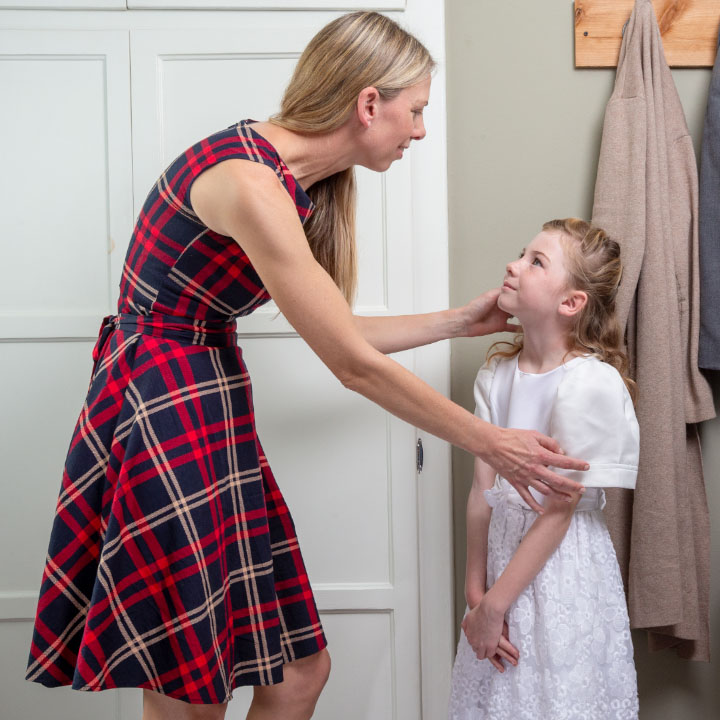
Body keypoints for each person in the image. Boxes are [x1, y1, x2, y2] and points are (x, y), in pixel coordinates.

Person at [25, 12, 587, 720]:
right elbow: (350, 364)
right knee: (191, 689)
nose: (419, 130)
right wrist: (493, 443)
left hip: (204, 399)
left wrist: (458, 322)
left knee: (297, 674)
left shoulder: (293, 181)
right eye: (415, 111)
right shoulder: (249, 182)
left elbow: (336, 330)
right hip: (161, 408)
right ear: (369, 104)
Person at [448, 218, 640, 720]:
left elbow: (560, 508)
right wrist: (477, 596)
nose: (514, 265)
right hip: (498, 562)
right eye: (521, 254)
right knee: (500, 698)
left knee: (559, 696)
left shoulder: (588, 384)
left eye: (536, 262)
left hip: (561, 565)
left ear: (571, 302)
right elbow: (480, 493)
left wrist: (496, 606)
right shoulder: (496, 376)